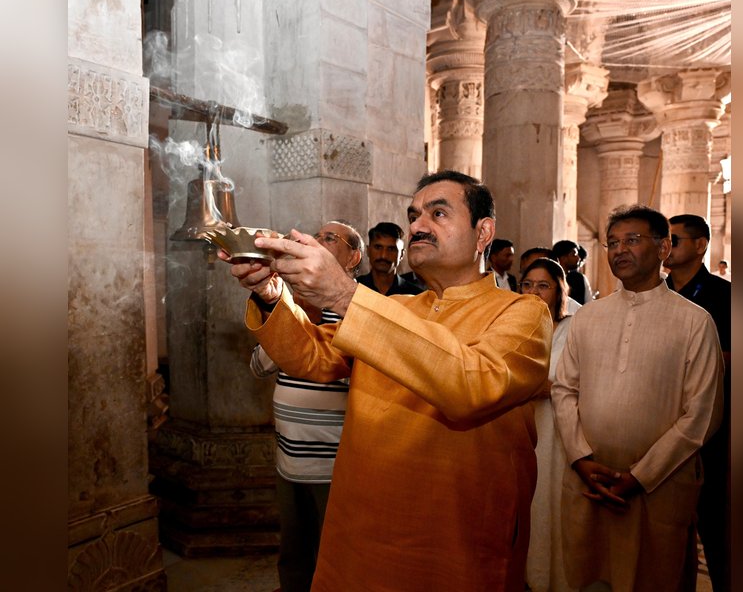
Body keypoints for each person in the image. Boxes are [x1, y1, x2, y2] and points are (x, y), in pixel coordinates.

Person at [223, 170, 553, 591]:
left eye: (438, 213)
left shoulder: (522, 313)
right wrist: (272, 294)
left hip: (453, 537)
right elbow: (312, 356)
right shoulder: (397, 305)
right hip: (361, 526)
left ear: (483, 231)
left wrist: (344, 295)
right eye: (413, 215)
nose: (417, 225)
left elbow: (473, 385)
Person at [551, 204, 724, 592]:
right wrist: (580, 458)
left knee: (654, 576)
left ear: (663, 249)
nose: (619, 250)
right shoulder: (589, 317)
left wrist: (640, 476)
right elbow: (564, 389)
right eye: (612, 242)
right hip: (589, 482)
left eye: (632, 240)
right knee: (588, 576)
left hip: (659, 486)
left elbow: (702, 413)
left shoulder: (695, 321)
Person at [249, 220, 363, 592]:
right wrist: (288, 315)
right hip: (289, 462)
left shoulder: (361, 310)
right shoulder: (293, 303)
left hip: (334, 467)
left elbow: (349, 374)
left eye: (330, 238)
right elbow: (259, 366)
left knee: (336, 560)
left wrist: (313, 326)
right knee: (294, 557)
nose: (318, 241)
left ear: (353, 257)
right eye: (318, 235)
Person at [665, 214, 731, 592]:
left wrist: (702, 359)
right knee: (668, 531)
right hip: (661, 421)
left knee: (715, 523)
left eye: (674, 240)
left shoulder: (726, 296)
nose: (666, 247)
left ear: (700, 245)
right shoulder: (656, 294)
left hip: (712, 427)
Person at [520, 258, 576, 592]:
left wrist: (546, 387)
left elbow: (583, 381)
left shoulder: (573, 327)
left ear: (558, 291)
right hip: (516, 426)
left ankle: (550, 579)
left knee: (549, 505)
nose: (534, 292)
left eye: (543, 285)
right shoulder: (509, 326)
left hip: (556, 430)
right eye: (527, 284)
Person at [356, 221, 423, 295]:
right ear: (368, 250)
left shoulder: (415, 296)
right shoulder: (354, 289)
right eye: (378, 247)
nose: (383, 255)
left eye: (391, 249)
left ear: (401, 255)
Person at [552, 240, 594, 305]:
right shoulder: (550, 277)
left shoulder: (579, 278)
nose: (578, 258)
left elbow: (589, 304)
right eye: (574, 254)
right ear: (563, 258)